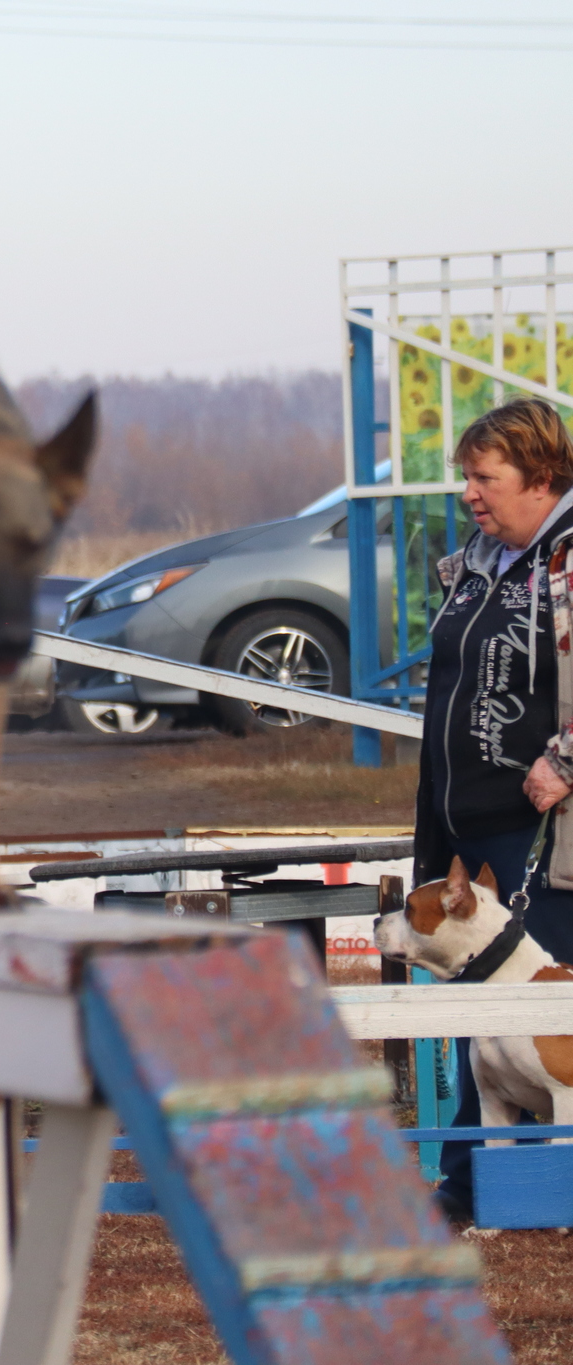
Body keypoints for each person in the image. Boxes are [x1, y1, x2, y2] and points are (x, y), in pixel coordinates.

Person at [413, 396, 573, 1226]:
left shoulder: (569, 555)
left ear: (541, 478)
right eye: (466, 477)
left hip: (540, 828)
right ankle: (485, 1187)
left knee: (517, 1004)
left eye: (486, 477)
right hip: (461, 820)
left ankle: (465, 1192)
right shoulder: (480, 556)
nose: (470, 492)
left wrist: (566, 759)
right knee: (482, 1007)